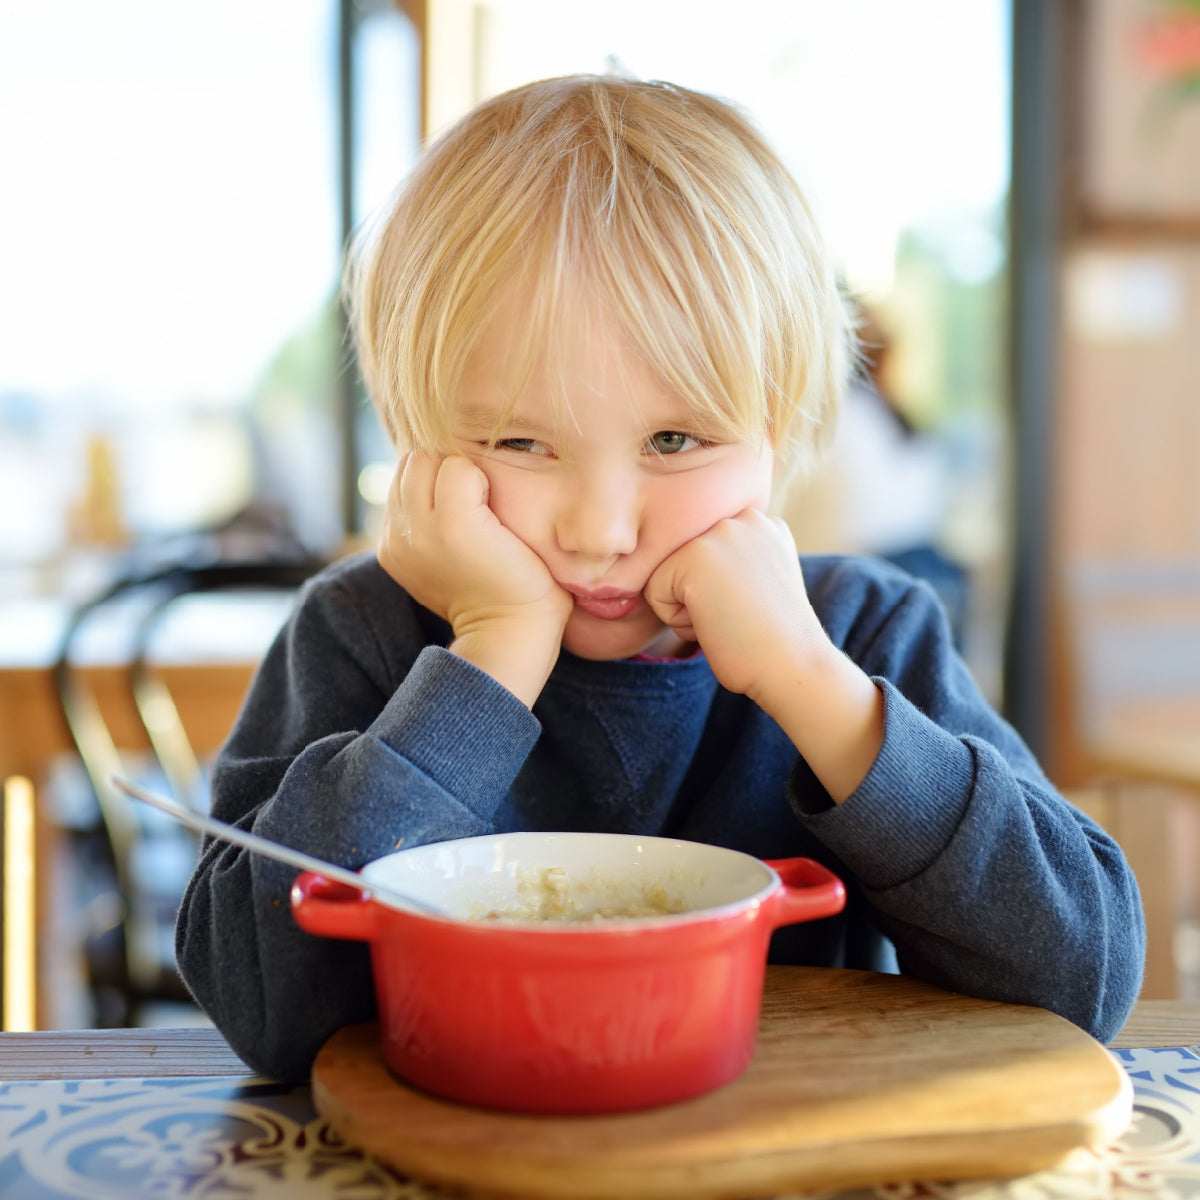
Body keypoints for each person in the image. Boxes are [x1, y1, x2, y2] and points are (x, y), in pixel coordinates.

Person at [176, 74, 1144, 1081]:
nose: (600, 529)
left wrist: (815, 689)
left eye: (674, 439)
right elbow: (260, 1008)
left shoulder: (862, 633)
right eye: (520, 440)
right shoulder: (360, 633)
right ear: (420, 437)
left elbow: (1084, 980)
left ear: (778, 430)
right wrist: (493, 651)